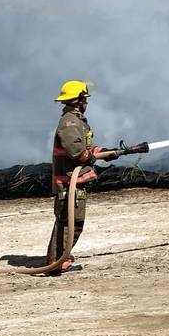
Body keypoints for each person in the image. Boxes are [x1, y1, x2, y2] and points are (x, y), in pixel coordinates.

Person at [48, 80, 116, 275]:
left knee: (71, 222)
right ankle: (57, 263)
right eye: (85, 99)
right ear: (78, 100)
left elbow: (87, 148)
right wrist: (92, 156)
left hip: (73, 181)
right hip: (68, 182)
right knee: (69, 224)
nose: (87, 102)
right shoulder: (70, 122)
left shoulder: (76, 121)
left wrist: (109, 152)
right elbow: (77, 151)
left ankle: (59, 259)